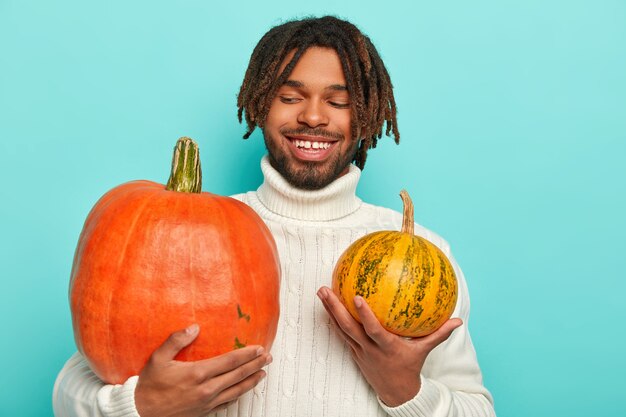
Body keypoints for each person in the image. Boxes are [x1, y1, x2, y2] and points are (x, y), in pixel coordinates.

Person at [53, 15, 495, 417]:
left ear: (366, 117)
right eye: (290, 96)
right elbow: (73, 387)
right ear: (262, 103)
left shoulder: (423, 257)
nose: (313, 116)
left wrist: (406, 391)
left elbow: (478, 409)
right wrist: (140, 404)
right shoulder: (186, 237)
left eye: (338, 102)